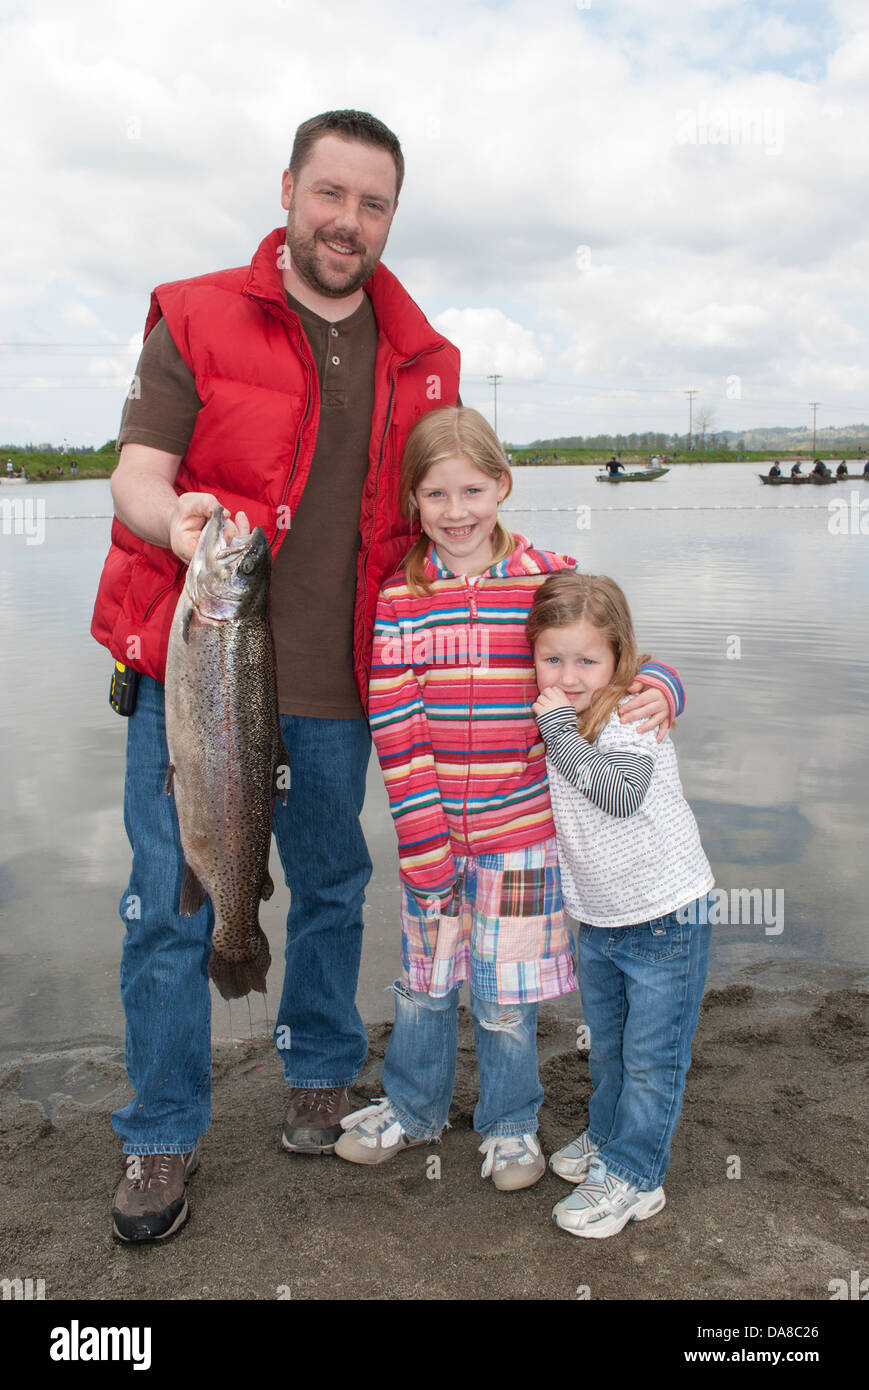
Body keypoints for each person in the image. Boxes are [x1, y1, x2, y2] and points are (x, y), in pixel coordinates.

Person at [91, 110, 463, 1242]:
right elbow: (134, 480)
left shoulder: (425, 356)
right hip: (194, 674)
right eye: (330, 194)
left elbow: (452, 520)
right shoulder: (196, 314)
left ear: (392, 215)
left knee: (336, 890)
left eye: (373, 204)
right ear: (289, 190)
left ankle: (317, 1071)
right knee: (168, 908)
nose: (347, 222)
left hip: (344, 689)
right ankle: (159, 1134)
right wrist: (183, 520)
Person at [333, 408, 683, 1190]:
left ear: (502, 485)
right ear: (411, 501)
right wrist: (422, 842)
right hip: (431, 836)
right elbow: (395, 726)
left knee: (503, 994)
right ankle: (413, 1105)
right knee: (423, 984)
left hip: (523, 835)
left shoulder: (548, 579)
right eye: (434, 495)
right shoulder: (399, 598)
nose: (455, 512)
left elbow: (618, 655)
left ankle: (511, 1121)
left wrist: (662, 686)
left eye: (471, 490)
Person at [526, 571, 714, 1238]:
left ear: (618, 658)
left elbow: (617, 794)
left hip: (665, 915)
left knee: (649, 1058)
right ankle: (607, 1137)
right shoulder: (560, 710)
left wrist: (556, 730)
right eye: (553, 659)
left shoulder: (630, 711)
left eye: (586, 659)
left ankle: (636, 1177)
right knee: (607, 1047)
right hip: (599, 919)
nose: (570, 675)